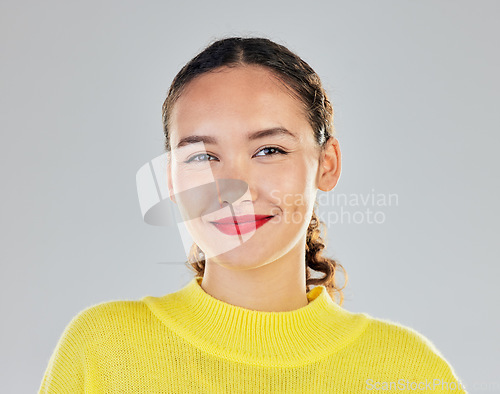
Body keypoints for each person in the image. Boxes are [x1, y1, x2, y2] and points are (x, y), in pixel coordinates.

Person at [39, 36, 467, 393]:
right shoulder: (102, 351)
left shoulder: (408, 372)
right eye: (203, 156)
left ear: (327, 163)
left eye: (269, 150)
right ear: (170, 179)